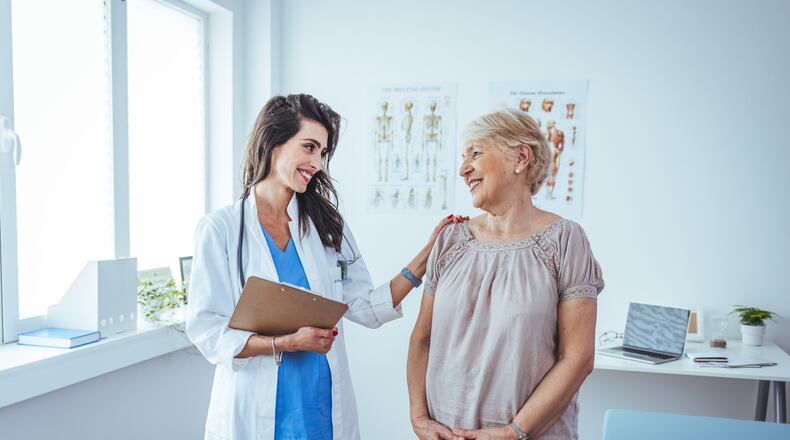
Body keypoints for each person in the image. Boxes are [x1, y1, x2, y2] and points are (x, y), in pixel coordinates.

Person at [186, 94, 465, 440]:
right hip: (253, 409)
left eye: (322, 152)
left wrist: (426, 256)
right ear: (274, 143)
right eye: (309, 147)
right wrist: (286, 342)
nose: (317, 162)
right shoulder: (222, 229)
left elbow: (364, 307)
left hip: (319, 408)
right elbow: (207, 331)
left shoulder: (326, 225)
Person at [407, 108, 604, 440]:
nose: (463, 168)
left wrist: (516, 432)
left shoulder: (565, 240)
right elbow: (422, 339)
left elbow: (578, 358)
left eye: (476, 153)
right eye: (462, 156)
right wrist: (419, 418)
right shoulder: (450, 239)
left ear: (520, 157)